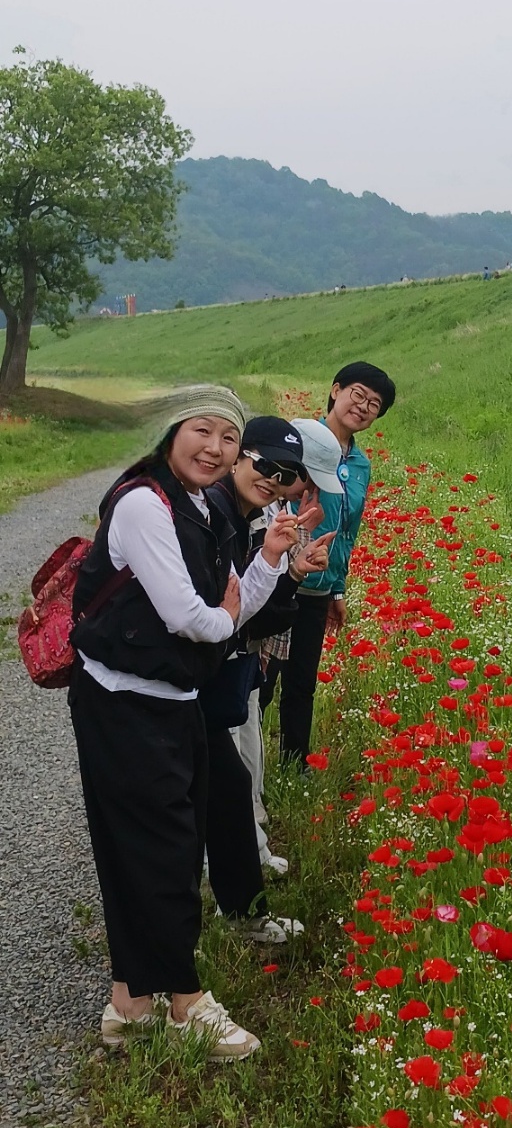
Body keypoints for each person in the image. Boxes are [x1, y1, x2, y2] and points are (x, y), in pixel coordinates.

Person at [68, 385, 280, 1060]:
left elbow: (228, 607)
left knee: (159, 848)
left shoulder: (199, 506)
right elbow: (190, 616)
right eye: (202, 430)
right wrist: (222, 619)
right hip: (123, 701)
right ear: (171, 430)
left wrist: (269, 562)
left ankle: (129, 1006)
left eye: (228, 437)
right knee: (159, 851)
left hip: (173, 698)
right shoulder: (143, 503)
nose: (214, 448)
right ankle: (188, 1004)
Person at [204, 418, 334, 936]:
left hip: (214, 669)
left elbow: (249, 610)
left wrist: (288, 566)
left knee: (230, 785)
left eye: (287, 475)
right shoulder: (211, 512)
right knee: (205, 794)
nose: (276, 481)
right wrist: (279, 565)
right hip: (175, 680)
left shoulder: (244, 515)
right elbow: (227, 614)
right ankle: (182, 940)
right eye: (266, 467)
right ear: (239, 456)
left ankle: (238, 912)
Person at [276, 363, 396, 768]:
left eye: (374, 405)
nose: (362, 407)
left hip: (319, 587)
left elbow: (347, 531)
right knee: (262, 679)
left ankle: (294, 766)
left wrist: (338, 588)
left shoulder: (360, 465)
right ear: (335, 390)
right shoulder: (300, 441)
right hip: (280, 578)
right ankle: (244, 768)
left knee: (302, 682)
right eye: (358, 395)